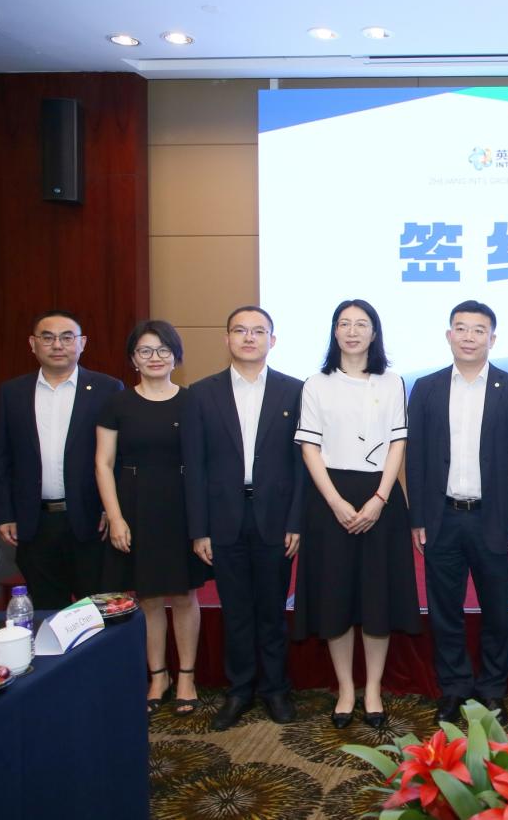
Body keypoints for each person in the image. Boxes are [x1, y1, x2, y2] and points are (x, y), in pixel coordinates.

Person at [406, 300, 508, 728]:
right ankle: (455, 686)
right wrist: (418, 517)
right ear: (449, 335)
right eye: (460, 328)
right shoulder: (426, 388)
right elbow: (416, 458)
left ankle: (493, 687)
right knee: (445, 609)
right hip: (441, 517)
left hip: (492, 519)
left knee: (496, 609)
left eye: (479, 330)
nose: (468, 337)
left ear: (492, 339)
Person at [293, 299, 419, 730]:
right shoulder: (316, 384)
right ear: (334, 331)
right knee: (336, 597)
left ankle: (373, 689)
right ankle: (346, 688)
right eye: (344, 323)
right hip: (329, 498)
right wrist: (334, 502)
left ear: (374, 332)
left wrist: (380, 498)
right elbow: (309, 448)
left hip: (380, 496)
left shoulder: (392, 382)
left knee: (377, 596)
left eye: (361, 324)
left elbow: (398, 443)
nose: (352, 331)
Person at [182, 306, 305, 730]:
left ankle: (275, 689)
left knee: (272, 609)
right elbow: (194, 467)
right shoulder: (201, 393)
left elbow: (302, 465)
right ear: (227, 339)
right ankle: (239, 690)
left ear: (273, 340)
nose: (249, 338)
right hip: (223, 518)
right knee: (235, 610)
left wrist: (296, 521)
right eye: (240, 330)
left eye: (258, 331)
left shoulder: (295, 391)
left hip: (276, 517)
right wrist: (199, 529)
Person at [95, 320, 208, 715]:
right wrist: (115, 516)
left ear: (176, 357)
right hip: (135, 506)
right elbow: (103, 463)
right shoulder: (117, 403)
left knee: (185, 594)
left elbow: (204, 462)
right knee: (149, 597)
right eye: (145, 350)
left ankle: (187, 676)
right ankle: (158, 675)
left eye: (163, 350)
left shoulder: (193, 402)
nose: (155, 357)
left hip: (182, 505)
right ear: (133, 359)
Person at [0, 310, 123, 609]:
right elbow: (1, 456)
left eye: (67, 337)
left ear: (82, 343)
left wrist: (111, 509)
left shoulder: (107, 389)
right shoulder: (12, 392)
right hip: (35, 522)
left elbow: (119, 456)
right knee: (47, 611)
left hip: (91, 521)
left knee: (96, 610)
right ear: (32, 343)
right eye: (48, 338)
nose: (58, 345)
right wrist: (3, 513)